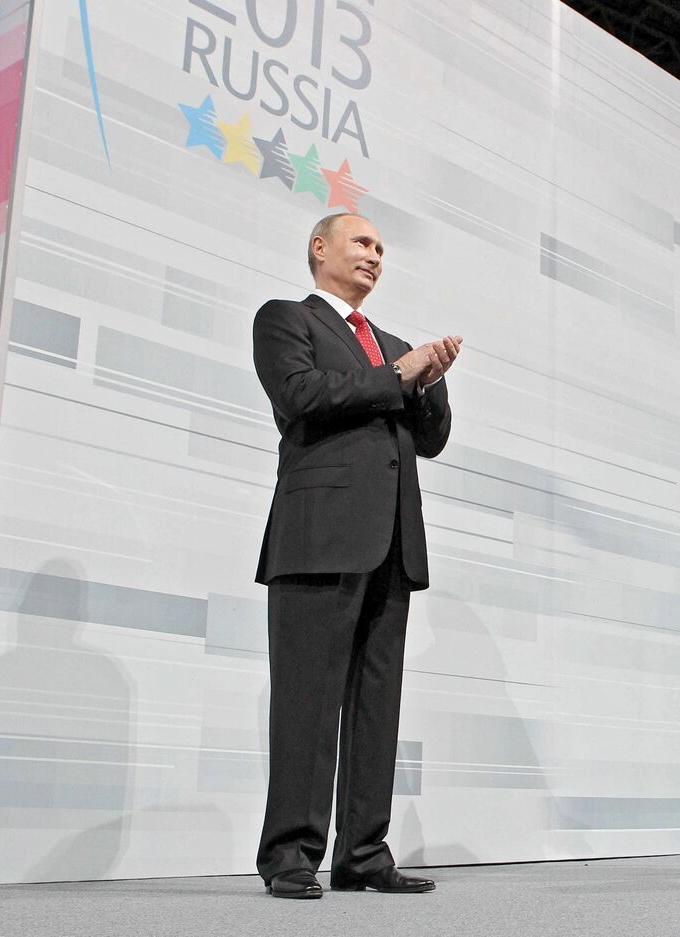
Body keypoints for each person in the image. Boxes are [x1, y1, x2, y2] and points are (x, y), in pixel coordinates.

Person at [252, 212, 462, 899]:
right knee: (306, 703)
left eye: (381, 248)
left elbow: (429, 440)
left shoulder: (397, 345)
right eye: (362, 242)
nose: (375, 255)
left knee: (378, 704)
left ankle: (363, 852)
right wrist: (397, 374)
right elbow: (300, 396)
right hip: (317, 538)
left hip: (391, 543)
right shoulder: (287, 319)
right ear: (319, 248)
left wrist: (427, 380)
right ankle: (290, 854)